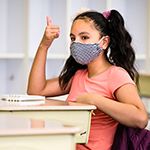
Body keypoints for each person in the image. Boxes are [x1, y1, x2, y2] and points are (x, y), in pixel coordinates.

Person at [27, 9, 148, 150]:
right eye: (73, 38)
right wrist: (44, 46)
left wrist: (94, 100)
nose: (76, 44)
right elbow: (36, 90)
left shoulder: (116, 75)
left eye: (84, 37)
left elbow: (140, 119)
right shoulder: (78, 75)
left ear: (104, 42)